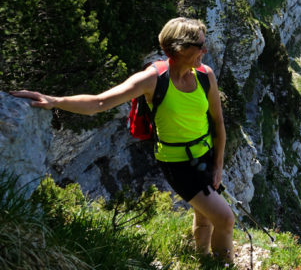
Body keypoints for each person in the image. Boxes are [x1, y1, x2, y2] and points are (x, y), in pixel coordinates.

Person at [11, 17, 235, 263]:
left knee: (204, 215)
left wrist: (218, 165)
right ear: (179, 49)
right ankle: (224, 264)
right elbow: (99, 103)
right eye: (200, 46)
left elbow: (218, 122)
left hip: (205, 155)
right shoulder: (152, 79)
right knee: (224, 218)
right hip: (178, 163)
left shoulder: (205, 75)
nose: (205, 50)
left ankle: (201, 259)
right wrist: (55, 101)